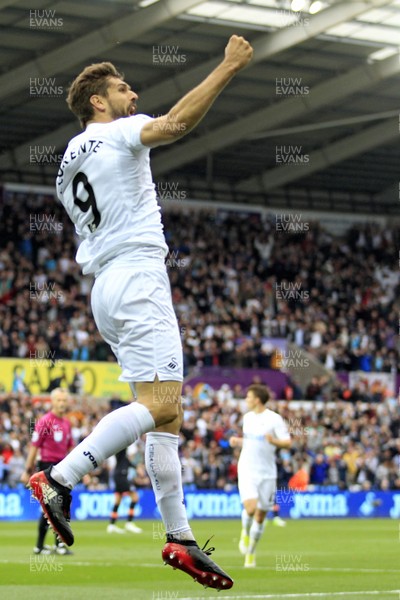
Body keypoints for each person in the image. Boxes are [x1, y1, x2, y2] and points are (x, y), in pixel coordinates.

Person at [29, 34, 253, 591]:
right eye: (123, 88)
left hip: (105, 286)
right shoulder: (119, 133)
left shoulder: (65, 166)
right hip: (136, 276)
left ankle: (179, 539)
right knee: (160, 404)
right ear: (98, 102)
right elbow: (176, 124)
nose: (134, 94)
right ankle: (61, 476)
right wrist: (226, 66)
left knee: (166, 417)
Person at [229, 384, 291, 567]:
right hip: (247, 468)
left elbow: (287, 443)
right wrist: (238, 441)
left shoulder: (274, 419)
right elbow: (251, 441)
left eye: (248, 397)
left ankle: (252, 552)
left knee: (261, 514)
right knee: (250, 508)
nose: (246, 400)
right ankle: (245, 533)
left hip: (267, 472)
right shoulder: (247, 418)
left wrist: (275, 441)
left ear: (257, 399)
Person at [21, 388, 74, 555]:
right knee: (50, 507)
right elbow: (34, 447)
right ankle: (39, 546)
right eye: (59, 400)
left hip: (62, 467)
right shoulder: (45, 421)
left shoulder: (66, 423)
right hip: (46, 467)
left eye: (64, 400)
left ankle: (59, 545)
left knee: (63, 505)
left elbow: (70, 447)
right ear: (52, 401)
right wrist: (26, 470)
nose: (62, 403)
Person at [107, 448, 143, 534]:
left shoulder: (125, 460)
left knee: (117, 501)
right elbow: (122, 445)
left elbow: (132, 465)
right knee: (135, 497)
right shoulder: (121, 455)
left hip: (118, 477)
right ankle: (129, 523)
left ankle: (112, 525)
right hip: (121, 478)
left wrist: (138, 469)